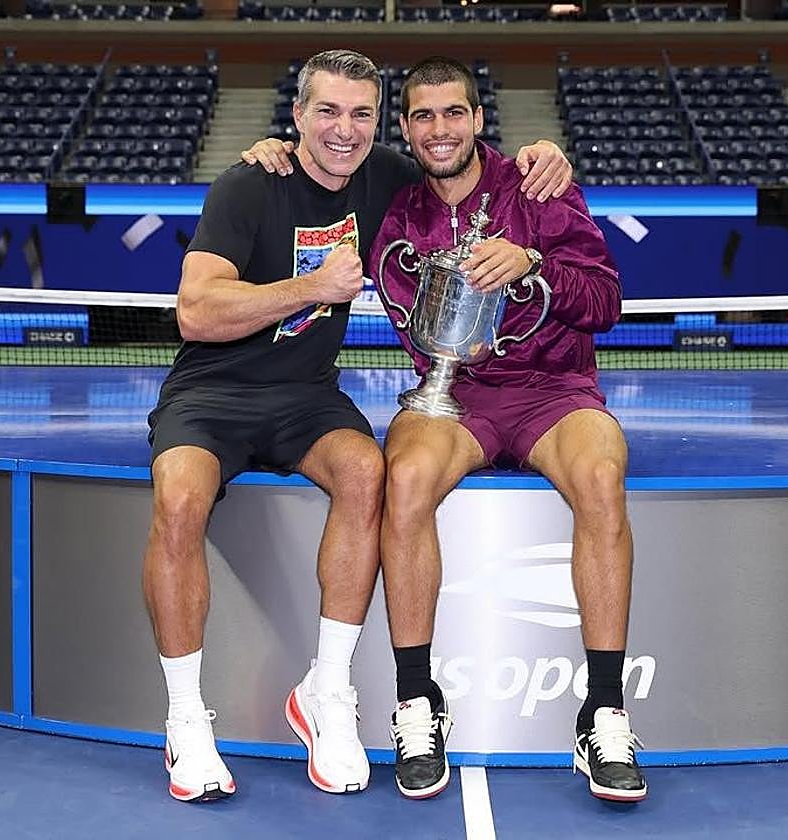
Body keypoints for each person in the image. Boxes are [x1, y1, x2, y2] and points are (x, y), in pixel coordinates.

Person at [145, 49, 572, 803]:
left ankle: (327, 691)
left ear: (380, 124)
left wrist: (542, 155)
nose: (344, 130)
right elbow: (196, 311)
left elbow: (465, 166)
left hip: (306, 395)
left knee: (366, 471)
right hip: (212, 392)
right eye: (327, 112)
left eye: (361, 114)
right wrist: (312, 286)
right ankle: (184, 718)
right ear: (297, 115)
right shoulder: (250, 184)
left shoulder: (386, 180)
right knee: (179, 497)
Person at [369, 57, 647, 802]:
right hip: (458, 396)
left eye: (452, 113)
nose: (439, 129)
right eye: (423, 116)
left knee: (601, 476)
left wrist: (532, 266)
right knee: (404, 479)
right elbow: (421, 330)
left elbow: (606, 301)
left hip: (555, 390)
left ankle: (604, 711)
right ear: (406, 129)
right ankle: (416, 699)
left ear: (478, 118)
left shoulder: (538, 186)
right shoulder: (398, 219)